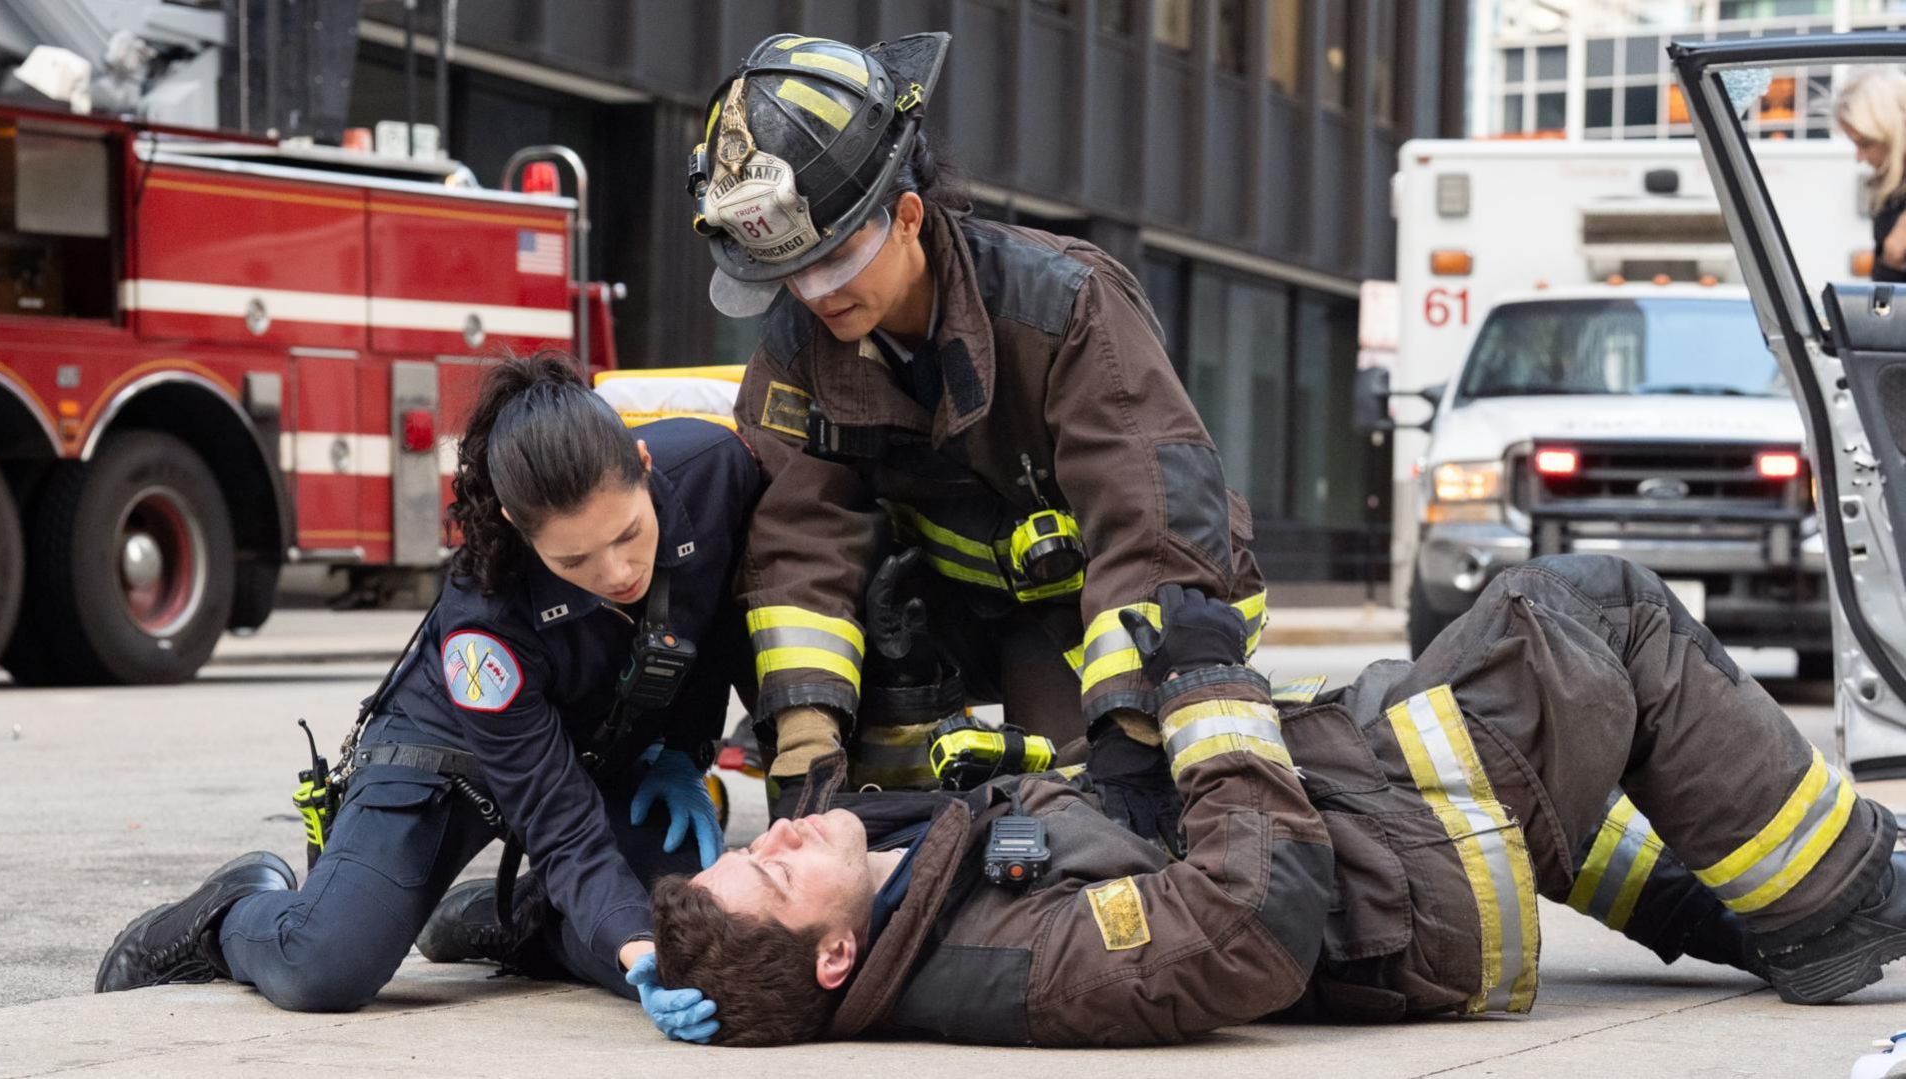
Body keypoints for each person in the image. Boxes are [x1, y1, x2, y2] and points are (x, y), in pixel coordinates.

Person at [648, 554, 1906, 1047]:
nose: (783, 830)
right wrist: (1208, 690)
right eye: (774, 867)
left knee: (1556, 725)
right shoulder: (1020, 963)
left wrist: (583, 933)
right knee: (1593, 613)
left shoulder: (907, 892)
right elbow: (1253, 919)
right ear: (833, 957)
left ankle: (1745, 913)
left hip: (1378, 826)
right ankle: (1840, 894)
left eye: (758, 844)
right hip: (1414, 880)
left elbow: (1092, 834)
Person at [94, 353, 760, 1025]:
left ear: (642, 462)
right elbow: (556, 817)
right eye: (574, 559)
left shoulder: (717, 471)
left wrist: (683, 752)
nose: (617, 572)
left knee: (678, 944)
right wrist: (629, 941)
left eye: (627, 535)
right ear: (517, 524)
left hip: (601, 744)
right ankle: (223, 915)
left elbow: (723, 616)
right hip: (451, 748)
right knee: (325, 964)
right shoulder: (485, 615)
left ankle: (511, 921)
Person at [687, 32, 1265, 805]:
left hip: (1092, 607)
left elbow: (1151, 519)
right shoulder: (801, 347)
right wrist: (804, 733)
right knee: (887, 811)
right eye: (790, 272)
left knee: (1080, 804)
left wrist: (1127, 732)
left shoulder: (1061, 304)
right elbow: (797, 536)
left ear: (906, 216)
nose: (816, 294)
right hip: (936, 616)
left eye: (834, 259)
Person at [1837, 67, 1906, 283]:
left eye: (1866, 144)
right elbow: (1883, 287)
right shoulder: (1890, 191)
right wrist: (1891, 260)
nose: (1859, 157)